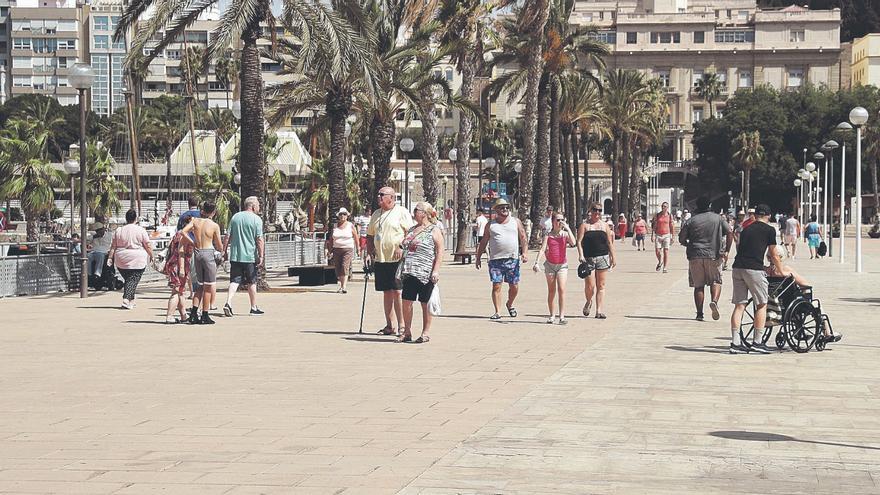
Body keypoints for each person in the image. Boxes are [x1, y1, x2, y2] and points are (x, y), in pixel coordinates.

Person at [729, 204, 783, 354]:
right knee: (761, 304)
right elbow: (773, 254)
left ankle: (735, 342)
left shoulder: (746, 229)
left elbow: (741, 248)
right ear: (769, 216)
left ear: (756, 215)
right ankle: (757, 342)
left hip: (737, 267)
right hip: (753, 269)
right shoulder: (769, 230)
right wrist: (780, 270)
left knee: (739, 305)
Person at [367, 186, 415, 335]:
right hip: (381, 258)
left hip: (397, 259)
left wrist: (401, 246)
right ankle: (390, 325)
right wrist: (369, 253)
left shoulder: (401, 212)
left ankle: (402, 326)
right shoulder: (376, 214)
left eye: (382, 195)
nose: (379, 197)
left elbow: (411, 232)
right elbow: (370, 235)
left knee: (398, 292)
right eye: (378, 194)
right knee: (386, 292)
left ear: (391, 197)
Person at [678, 197, 734, 321]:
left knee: (698, 285)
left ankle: (699, 314)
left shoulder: (691, 220)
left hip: (695, 255)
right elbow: (730, 232)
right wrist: (727, 251)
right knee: (716, 281)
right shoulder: (718, 219)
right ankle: (714, 301)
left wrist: (688, 244)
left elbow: (681, 238)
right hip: (714, 255)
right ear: (709, 205)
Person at [475, 198, 528, 320]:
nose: (505, 209)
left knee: (514, 286)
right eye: (502, 207)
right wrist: (478, 257)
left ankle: (509, 303)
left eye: (507, 207)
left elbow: (523, 237)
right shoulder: (491, 225)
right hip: (496, 260)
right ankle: (498, 311)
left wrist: (525, 253)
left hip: (512, 259)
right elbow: (483, 242)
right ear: (496, 210)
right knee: (496, 286)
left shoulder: (516, 221)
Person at [398, 202, 443, 343]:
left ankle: (425, 332)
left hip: (425, 272)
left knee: (425, 302)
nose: (414, 212)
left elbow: (440, 251)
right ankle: (407, 332)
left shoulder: (434, 230)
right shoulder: (412, 229)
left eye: (416, 210)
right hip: (410, 270)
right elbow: (404, 244)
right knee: (406, 301)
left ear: (424, 213)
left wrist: (435, 271)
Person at [181, 202, 223, 324]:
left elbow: (183, 231)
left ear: (203, 210)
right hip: (208, 252)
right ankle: (205, 314)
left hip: (198, 253)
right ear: (213, 212)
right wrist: (222, 250)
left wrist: (193, 242)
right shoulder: (214, 225)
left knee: (199, 285)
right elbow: (219, 244)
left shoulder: (195, 221)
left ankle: (194, 313)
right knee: (209, 286)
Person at [223, 196, 265, 317]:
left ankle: (228, 302)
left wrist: (224, 251)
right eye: (258, 205)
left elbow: (227, 236)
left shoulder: (235, 217)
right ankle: (253, 307)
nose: (259, 207)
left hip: (236, 255)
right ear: (252, 206)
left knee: (234, 280)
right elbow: (259, 239)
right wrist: (261, 255)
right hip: (249, 256)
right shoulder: (256, 220)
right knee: (252, 281)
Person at [533, 211, 576, 324]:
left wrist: (568, 228)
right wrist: (536, 262)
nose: (560, 222)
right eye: (558, 220)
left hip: (562, 265)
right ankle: (552, 315)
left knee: (561, 289)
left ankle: (562, 316)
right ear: (553, 221)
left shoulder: (564, 234)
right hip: (550, 265)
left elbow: (574, 243)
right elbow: (542, 249)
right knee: (551, 291)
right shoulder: (548, 235)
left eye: (562, 220)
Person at [107, 209, 154, 310]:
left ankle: (131, 301)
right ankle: (126, 299)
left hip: (121, 258)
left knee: (129, 279)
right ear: (135, 219)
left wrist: (110, 257)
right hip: (137, 257)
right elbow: (147, 245)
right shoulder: (141, 230)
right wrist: (152, 255)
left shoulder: (119, 230)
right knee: (133, 279)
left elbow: (113, 246)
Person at [577, 202, 616, 319]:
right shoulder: (584, 226)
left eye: (599, 210)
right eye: (595, 210)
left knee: (601, 285)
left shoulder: (605, 226)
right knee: (590, 286)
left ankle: (599, 311)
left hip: (602, 257)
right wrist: (581, 255)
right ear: (590, 210)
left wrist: (613, 256)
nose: (597, 212)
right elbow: (579, 242)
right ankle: (589, 301)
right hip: (588, 258)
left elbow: (609, 242)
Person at [162, 217, 195, 324]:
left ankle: (183, 315)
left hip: (175, 265)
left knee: (181, 292)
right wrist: (181, 269)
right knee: (176, 292)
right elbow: (181, 252)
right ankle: (169, 316)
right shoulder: (183, 236)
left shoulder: (178, 234)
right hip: (178, 266)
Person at [325, 207, 359, 294]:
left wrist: (358, 248)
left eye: (344, 214)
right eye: (341, 214)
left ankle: (344, 286)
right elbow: (331, 239)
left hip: (348, 248)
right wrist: (329, 250)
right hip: (336, 249)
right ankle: (341, 285)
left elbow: (356, 237)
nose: (342, 216)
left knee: (344, 266)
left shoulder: (350, 225)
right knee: (338, 268)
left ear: (347, 216)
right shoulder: (335, 226)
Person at [651, 202, 675, 273]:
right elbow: (655, 225)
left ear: (667, 207)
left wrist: (672, 236)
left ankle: (665, 267)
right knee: (657, 251)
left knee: (666, 251)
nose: (663, 207)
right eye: (662, 206)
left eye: (665, 206)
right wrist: (652, 235)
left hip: (666, 235)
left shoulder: (670, 215)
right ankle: (660, 261)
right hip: (658, 235)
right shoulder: (658, 215)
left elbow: (672, 226)